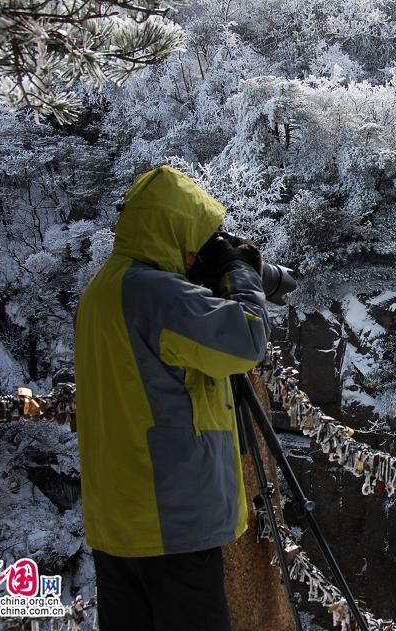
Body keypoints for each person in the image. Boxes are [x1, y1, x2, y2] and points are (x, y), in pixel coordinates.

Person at [74, 165, 271, 631]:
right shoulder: (155, 293)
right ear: (175, 229)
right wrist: (240, 273)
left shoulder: (101, 289)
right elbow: (247, 341)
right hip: (173, 522)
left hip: (116, 522)